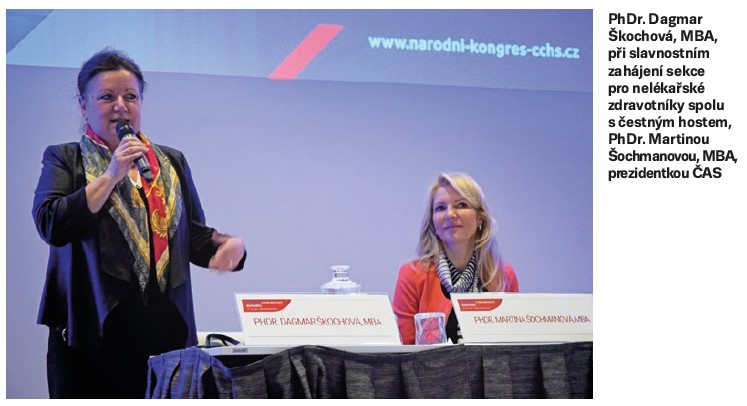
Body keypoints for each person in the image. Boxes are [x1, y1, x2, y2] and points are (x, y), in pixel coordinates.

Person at [32, 48, 247, 398]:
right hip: (93, 335)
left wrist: (226, 246)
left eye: (130, 97)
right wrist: (111, 174)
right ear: (84, 106)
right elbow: (51, 223)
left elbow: (191, 237)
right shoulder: (65, 158)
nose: (121, 106)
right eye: (107, 97)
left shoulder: (171, 162)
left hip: (164, 337)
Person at [392, 173, 518, 344]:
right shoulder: (412, 275)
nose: (450, 214)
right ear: (433, 223)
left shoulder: (503, 274)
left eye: (461, 205)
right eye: (440, 208)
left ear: (480, 218)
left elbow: (513, 345)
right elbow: (404, 349)